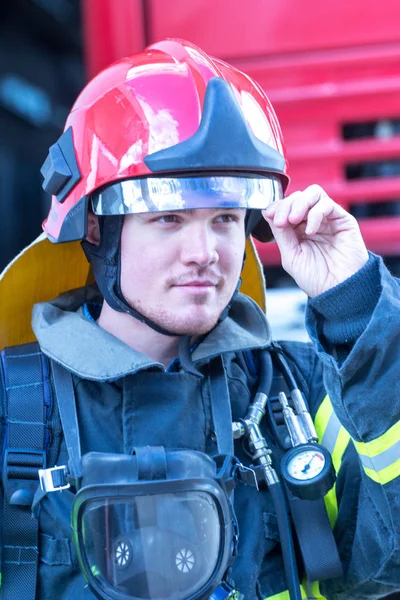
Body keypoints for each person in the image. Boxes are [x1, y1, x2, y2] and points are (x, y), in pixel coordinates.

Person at [0, 38, 399, 600]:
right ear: (97, 229)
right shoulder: (13, 411)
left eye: (224, 218)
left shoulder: (298, 394)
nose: (204, 251)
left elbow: (389, 559)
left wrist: (360, 310)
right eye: (169, 217)